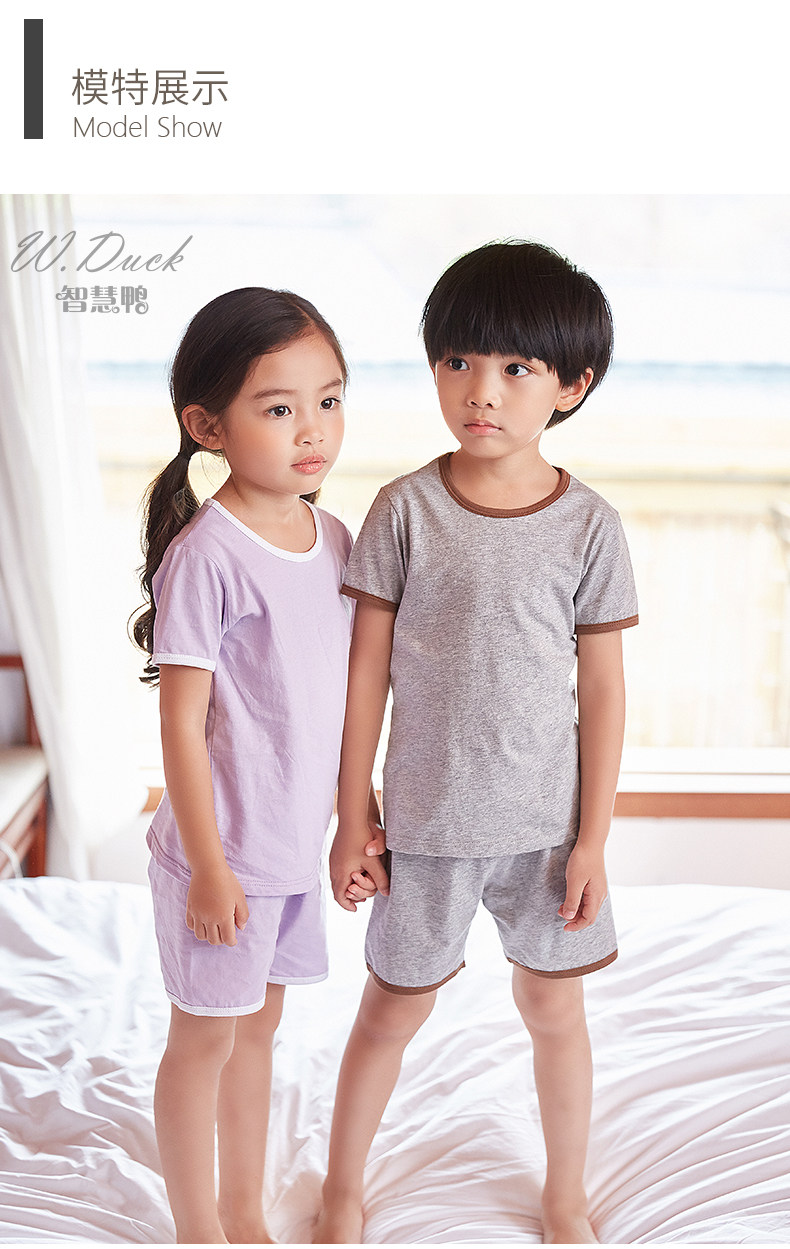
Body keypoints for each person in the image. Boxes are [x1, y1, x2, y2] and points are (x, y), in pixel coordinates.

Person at [315, 241, 639, 1246]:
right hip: (425, 826)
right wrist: (352, 813)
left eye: (514, 367)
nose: (480, 391)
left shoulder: (589, 526)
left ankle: (564, 1194)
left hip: (545, 832)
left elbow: (603, 689)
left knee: (555, 1012)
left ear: (571, 385)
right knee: (389, 1011)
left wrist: (592, 840)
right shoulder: (403, 509)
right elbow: (365, 673)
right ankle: (340, 1190)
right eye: (457, 361)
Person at [132, 287, 387, 1245]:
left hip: (287, 854)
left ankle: (244, 1208)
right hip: (224, 856)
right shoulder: (207, 556)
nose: (312, 429)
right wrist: (208, 866)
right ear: (209, 426)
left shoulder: (336, 541)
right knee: (204, 1036)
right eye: (279, 408)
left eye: (329, 400)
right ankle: (197, 1225)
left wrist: (356, 820)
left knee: (258, 1031)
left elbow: (340, 704)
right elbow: (180, 724)